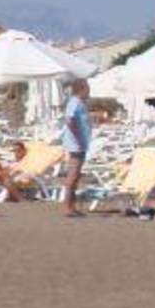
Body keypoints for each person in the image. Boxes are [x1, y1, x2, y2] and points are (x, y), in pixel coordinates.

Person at [60, 79, 93, 216]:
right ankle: (67, 206)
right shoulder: (74, 102)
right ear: (82, 89)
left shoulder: (79, 103)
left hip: (80, 143)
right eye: (87, 89)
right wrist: (77, 136)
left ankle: (72, 206)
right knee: (73, 175)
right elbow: (70, 120)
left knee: (76, 175)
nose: (89, 92)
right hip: (76, 144)